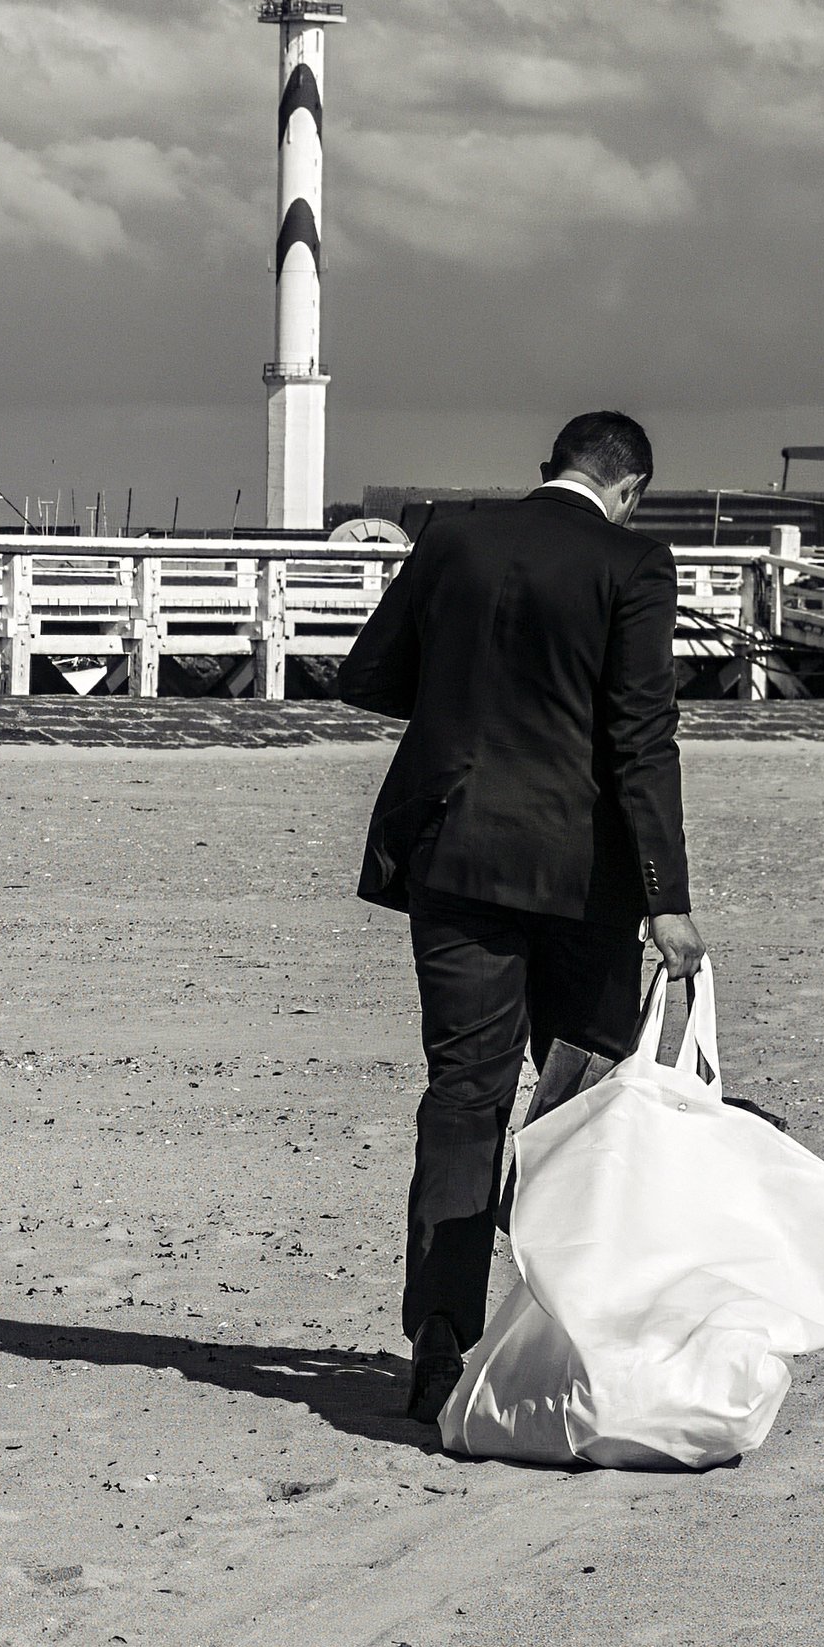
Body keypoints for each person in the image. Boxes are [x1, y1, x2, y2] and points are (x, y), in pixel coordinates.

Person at [337, 411, 708, 1425]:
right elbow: (640, 736)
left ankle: (440, 1335)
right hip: (579, 873)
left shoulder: (452, 533)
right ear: (627, 486)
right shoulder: (632, 562)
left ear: (552, 466)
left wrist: (466, 703)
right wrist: (667, 900)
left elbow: (364, 675)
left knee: (463, 1091)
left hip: (453, 852)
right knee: (586, 1086)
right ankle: (561, 1295)